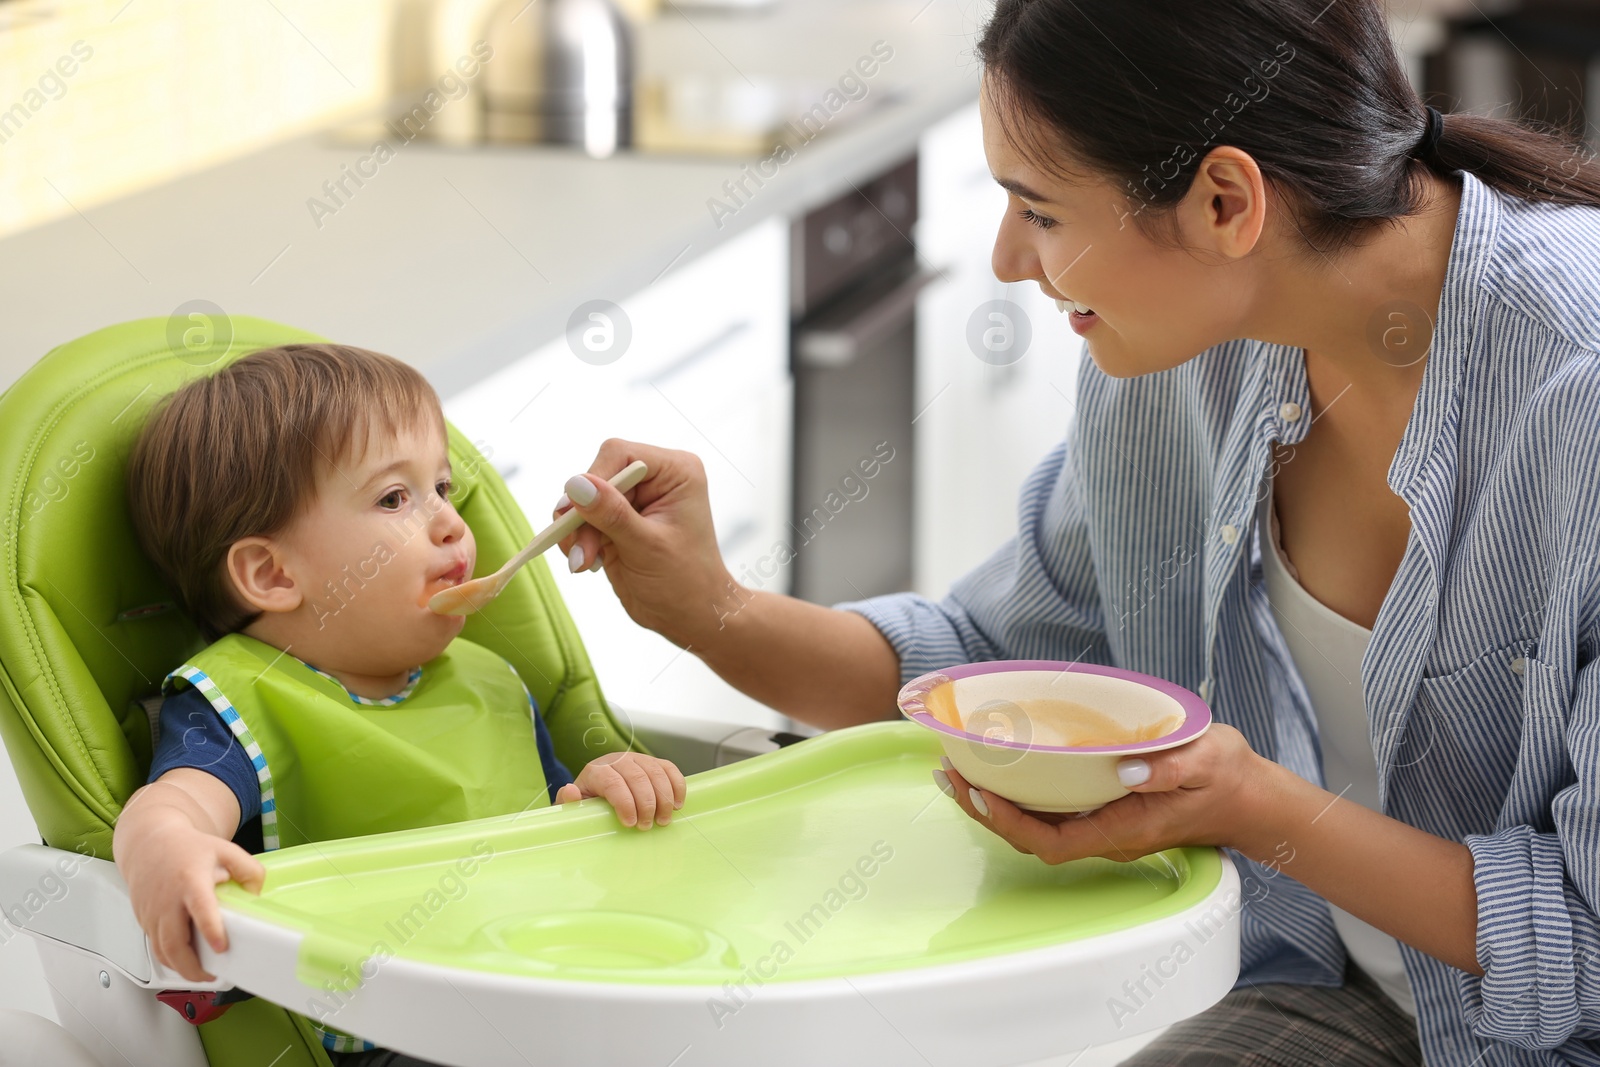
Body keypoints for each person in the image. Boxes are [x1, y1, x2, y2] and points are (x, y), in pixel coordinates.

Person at [546, 1, 1600, 1063]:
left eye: (1040, 212)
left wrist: (1254, 806)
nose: (1008, 258)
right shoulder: (1182, 355)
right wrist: (709, 608)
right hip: (1344, 995)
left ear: (1225, 201)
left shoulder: (1579, 396)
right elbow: (982, 668)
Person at [112, 343, 686, 1065]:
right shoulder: (240, 701)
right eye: (395, 498)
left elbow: (556, 821)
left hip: (557, 989)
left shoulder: (490, 680)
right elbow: (176, 808)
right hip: (404, 1035)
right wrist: (163, 851)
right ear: (271, 572)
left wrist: (606, 790)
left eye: (443, 486)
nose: (451, 521)